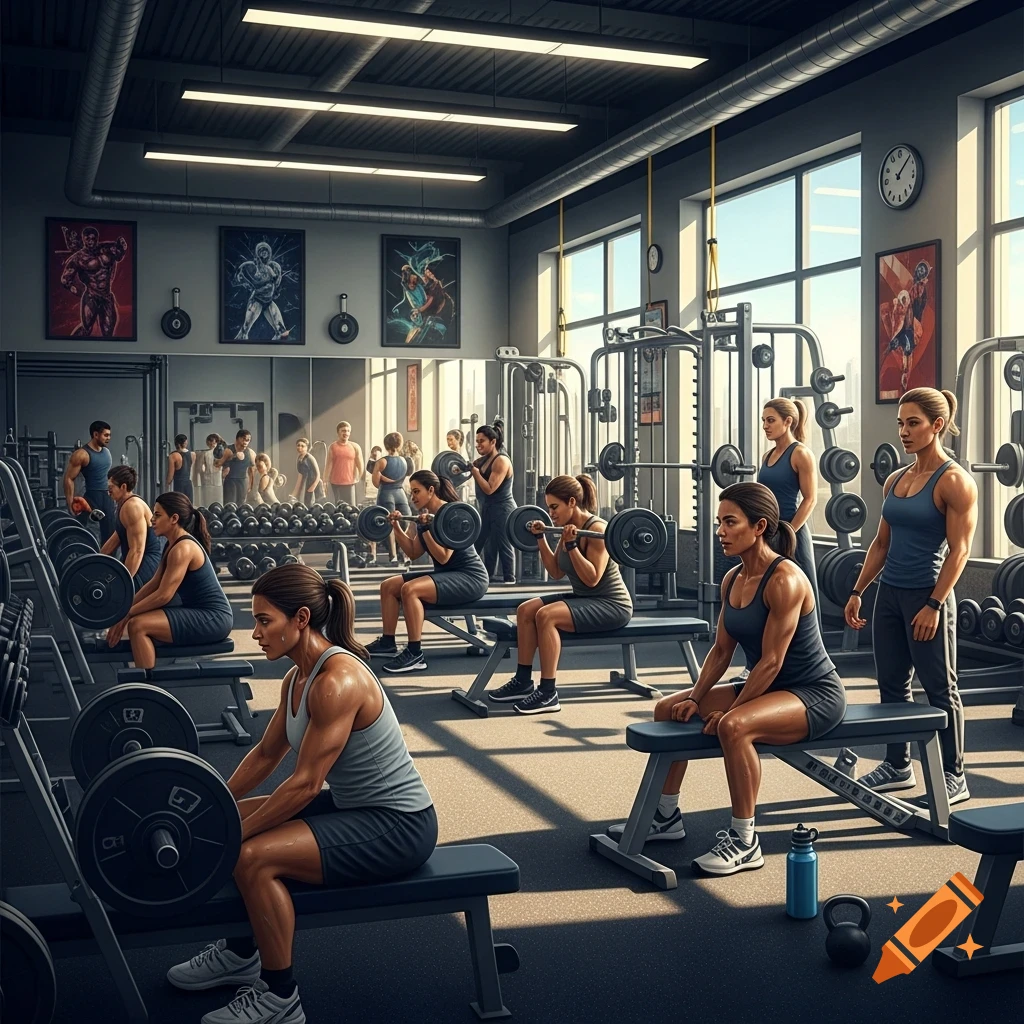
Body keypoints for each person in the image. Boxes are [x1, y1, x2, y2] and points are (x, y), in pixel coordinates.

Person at [164, 563, 435, 1024]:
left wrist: (236, 835)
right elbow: (266, 755)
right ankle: (239, 953)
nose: (256, 633)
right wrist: (217, 804)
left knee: (252, 856)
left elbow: (306, 785)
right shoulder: (297, 677)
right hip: (357, 809)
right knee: (228, 824)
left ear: (301, 619)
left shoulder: (337, 681)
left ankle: (280, 996)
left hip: (398, 826)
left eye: (265, 621)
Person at [607, 482, 847, 875]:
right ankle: (666, 816)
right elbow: (721, 651)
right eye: (719, 522)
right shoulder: (733, 579)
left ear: (759, 526)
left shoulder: (785, 579)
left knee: (733, 727)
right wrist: (696, 698)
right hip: (769, 687)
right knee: (668, 708)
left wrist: (731, 710)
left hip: (812, 693)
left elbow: (770, 661)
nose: (719, 530)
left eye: (730, 522)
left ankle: (744, 840)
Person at [844, 387, 976, 806]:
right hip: (890, 594)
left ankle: (955, 775)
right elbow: (880, 544)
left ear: (937, 426)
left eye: (913, 422)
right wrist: (858, 590)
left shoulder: (954, 481)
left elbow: (961, 551)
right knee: (892, 684)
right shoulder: (895, 480)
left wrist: (935, 604)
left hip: (927, 594)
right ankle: (898, 764)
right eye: (900, 423)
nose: (903, 431)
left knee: (940, 687)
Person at [486, 474, 631, 715]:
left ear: (572, 502)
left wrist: (572, 545)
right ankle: (523, 680)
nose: (550, 513)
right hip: (586, 599)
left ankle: (547, 692)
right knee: (525, 610)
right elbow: (554, 571)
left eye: (554, 507)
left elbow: (592, 578)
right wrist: (540, 538)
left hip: (611, 604)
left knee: (546, 616)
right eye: (548, 508)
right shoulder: (567, 529)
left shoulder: (597, 529)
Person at [366, 470, 488, 674]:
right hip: (447, 574)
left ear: (431, 490)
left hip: (470, 577)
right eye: (411, 492)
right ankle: (388, 643)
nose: (412, 497)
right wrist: (396, 526)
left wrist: (425, 529)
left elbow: (443, 557)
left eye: (416, 491)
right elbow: (413, 552)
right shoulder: (422, 516)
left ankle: (415, 654)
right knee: (389, 586)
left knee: (410, 590)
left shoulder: (450, 513)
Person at [105, 492, 233, 670]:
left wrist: (127, 614)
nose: (151, 520)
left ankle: (147, 688)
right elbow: (153, 584)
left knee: (138, 625)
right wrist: (125, 608)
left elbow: (164, 596)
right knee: (137, 621)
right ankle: (144, 678)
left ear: (174, 518)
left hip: (212, 618)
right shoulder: (172, 544)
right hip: (197, 611)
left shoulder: (184, 548)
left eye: (157, 515)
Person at [757, 397, 819, 613]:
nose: (765, 426)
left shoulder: (800, 454)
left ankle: (809, 645)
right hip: (768, 534)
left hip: (793, 535)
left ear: (788, 422)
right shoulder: (767, 456)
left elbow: (810, 499)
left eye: (771, 420)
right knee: (771, 594)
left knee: (802, 595)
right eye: (763, 420)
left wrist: (789, 532)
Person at [100, 466, 164, 589]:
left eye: (111, 488)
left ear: (123, 487)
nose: (109, 492)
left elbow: (137, 550)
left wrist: (124, 584)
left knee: (116, 595)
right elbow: (115, 539)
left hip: (147, 564)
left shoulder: (132, 507)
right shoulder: (123, 504)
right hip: (137, 561)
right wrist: (95, 562)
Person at [467, 422, 516, 584]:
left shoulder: (501, 461)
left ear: (493, 442)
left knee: (504, 545)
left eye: (482, 441)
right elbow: (467, 469)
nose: (477, 445)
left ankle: (510, 581)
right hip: (488, 508)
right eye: (477, 441)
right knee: (482, 543)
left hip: (503, 509)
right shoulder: (485, 460)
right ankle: (485, 578)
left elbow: (489, 488)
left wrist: (475, 473)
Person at [63, 420, 116, 543]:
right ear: (95, 434)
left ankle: (107, 561)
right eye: (106, 435)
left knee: (110, 534)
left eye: (109, 435)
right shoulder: (82, 454)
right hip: (92, 497)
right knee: (88, 533)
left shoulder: (107, 452)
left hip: (108, 497)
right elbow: (69, 478)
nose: (109, 438)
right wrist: (70, 503)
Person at [372, 433, 413, 566]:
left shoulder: (382, 462)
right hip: (400, 493)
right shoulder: (405, 461)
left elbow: (376, 483)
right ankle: (406, 555)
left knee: (390, 523)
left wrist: (385, 480)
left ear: (386, 445)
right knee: (405, 520)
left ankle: (393, 556)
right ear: (400, 444)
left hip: (386, 493)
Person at [325, 422, 363, 508]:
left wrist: (357, 478)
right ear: (338, 432)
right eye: (343, 431)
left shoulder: (355, 447)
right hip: (335, 482)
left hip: (349, 482)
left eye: (348, 431)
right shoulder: (332, 447)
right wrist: (325, 480)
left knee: (350, 507)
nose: (346, 433)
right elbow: (328, 464)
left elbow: (360, 465)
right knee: (338, 507)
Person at [216, 430, 255, 508]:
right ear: (237, 439)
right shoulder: (228, 450)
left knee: (241, 506)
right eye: (243, 439)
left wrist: (251, 484)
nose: (245, 442)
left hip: (243, 482)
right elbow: (218, 464)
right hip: (230, 482)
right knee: (229, 506)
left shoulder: (251, 453)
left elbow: (251, 470)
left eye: (248, 440)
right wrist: (230, 457)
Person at [194, 433, 225, 508]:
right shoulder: (205, 453)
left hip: (217, 479)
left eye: (213, 442)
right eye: (210, 442)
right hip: (207, 478)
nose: (212, 444)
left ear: (217, 442)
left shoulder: (221, 452)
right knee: (208, 500)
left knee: (218, 500)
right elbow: (202, 466)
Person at [289, 438, 321, 504]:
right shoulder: (299, 458)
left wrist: (312, 487)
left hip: (312, 483)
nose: (299, 447)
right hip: (304, 482)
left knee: (310, 503)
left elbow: (318, 474)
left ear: (307, 447)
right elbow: (300, 475)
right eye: (298, 445)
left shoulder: (310, 458)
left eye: (302, 446)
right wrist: (294, 493)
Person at [166, 433, 194, 501]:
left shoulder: (173, 456)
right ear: (185, 443)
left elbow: (170, 475)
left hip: (178, 484)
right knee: (188, 506)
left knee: (179, 505)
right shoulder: (193, 454)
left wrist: (166, 485)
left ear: (176, 443)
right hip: (188, 484)